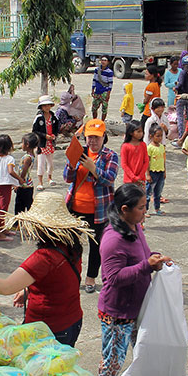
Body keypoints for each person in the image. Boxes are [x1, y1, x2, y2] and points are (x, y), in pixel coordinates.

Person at [0, 191, 90, 346]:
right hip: (72, 321)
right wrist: (28, 290)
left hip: (47, 330)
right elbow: (59, 280)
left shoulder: (44, 257)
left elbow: (5, 287)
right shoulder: (72, 246)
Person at [97, 184, 180, 376]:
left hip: (138, 306)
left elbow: (142, 255)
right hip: (118, 313)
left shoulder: (134, 226)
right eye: (141, 208)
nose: (145, 211)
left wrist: (155, 258)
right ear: (125, 209)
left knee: (148, 349)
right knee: (113, 361)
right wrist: (146, 266)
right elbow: (113, 278)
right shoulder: (113, 239)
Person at [64, 119, 118, 293]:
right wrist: (72, 163)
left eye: (96, 137)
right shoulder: (79, 152)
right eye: (89, 137)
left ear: (104, 137)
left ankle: (90, 278)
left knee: (96, 247)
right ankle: (73, 276)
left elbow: (109, 179)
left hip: (99, 211)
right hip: (75, 208)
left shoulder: (110, 155)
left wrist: (94, 169)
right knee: (71, 245)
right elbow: (67, 178)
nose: (93, 141)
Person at [31, 95, 59, 190]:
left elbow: (56, 129)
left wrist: (54, 135)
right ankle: (40, 181)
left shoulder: (53, 117)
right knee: (41, 163)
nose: (47, 107)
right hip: (42, 144)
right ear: (41, 107)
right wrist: (44, 136)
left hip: (50, 143)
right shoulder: (39, 118)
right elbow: (34, 131)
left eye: (48, 105)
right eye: (45, 105)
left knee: (50, 163)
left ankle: (50, 177)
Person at [173, 55, 188, 145]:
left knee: (180, 117)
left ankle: (181, 136)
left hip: (181, 96)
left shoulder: (182, 72)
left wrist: (176, 87)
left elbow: (181, 83)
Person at [120, 120, 148, 185]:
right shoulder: (125, 146)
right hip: (129, 180)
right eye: (138, 131)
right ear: (131, 133)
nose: (141, 133)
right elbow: (124, 164)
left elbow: (146, 161)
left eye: (142, 131)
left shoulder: (143, 145)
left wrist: (140, 176)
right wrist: (134, 177)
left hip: (141, 180)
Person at [146, 123, 166, 215]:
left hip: (161, 172)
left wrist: (164, 171)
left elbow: (163, 160)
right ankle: (145, 210)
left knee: (158, 192)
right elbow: (147, 162)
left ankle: (157, 208)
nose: (160, 138)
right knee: (148, 192)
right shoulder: (149, 148)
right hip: (152, 172)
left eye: (161, 136)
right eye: (157, 136)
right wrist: (148, 174)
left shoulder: (162, 147)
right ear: (151, 136)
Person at [15, 133, 38, 214]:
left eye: (22, 143)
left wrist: (18, 182)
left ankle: (17, 225)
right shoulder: (30, 156)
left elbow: (23, 172)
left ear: (27, 144)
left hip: (24, 186)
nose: (21, 145)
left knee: (19, 208)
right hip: (28, 185)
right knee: (28, 206)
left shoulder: (27, 158)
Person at [92, 56, 114, 120]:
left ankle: (102, 122)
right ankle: (95, 120)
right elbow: (94, 80)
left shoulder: (109, 72)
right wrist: (93, 90)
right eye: (102, 60)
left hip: (104, 91)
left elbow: (110, 84)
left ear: (108, 62)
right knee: (94, 108)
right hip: (97, 91)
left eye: (105, 60)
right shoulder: (97, 70)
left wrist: (108, 94)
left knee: (104, 108)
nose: (103, 62)